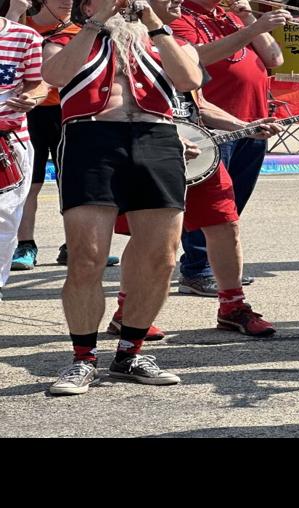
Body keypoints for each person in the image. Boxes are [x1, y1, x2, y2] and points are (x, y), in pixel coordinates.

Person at [41, 0, 204, 395]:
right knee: (86, 256)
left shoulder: (166, 38)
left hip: (157, 137)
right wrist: (96, 22)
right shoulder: (65, 38)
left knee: (162, 258)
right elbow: (55, 75)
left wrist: (154, 24)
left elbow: (189, 81)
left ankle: (131, 352)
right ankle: (82, 359)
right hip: (90, 138)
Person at [168, 0, 287, 298]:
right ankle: (197, 270)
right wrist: (255, 27)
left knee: (231, 204)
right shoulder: (180, 15)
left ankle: (216, 267)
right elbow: (196, 58)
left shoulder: (233, 15)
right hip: (210, 123)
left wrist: (247, 17)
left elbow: (274, 58)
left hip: (249, 119)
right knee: (209, 202)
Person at [11, 0, 119, 273]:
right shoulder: (22, 25)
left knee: (72, 181)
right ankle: (25, 245)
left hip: (66, 112)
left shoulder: (80, 31)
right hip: (28, 114)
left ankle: (76, 245)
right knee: (30, 183)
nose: (66, 2)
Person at [0, 0, 47, 299]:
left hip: (10, 141)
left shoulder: (26, 37)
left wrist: (33, 97)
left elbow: (39, 84)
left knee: (4, 221)